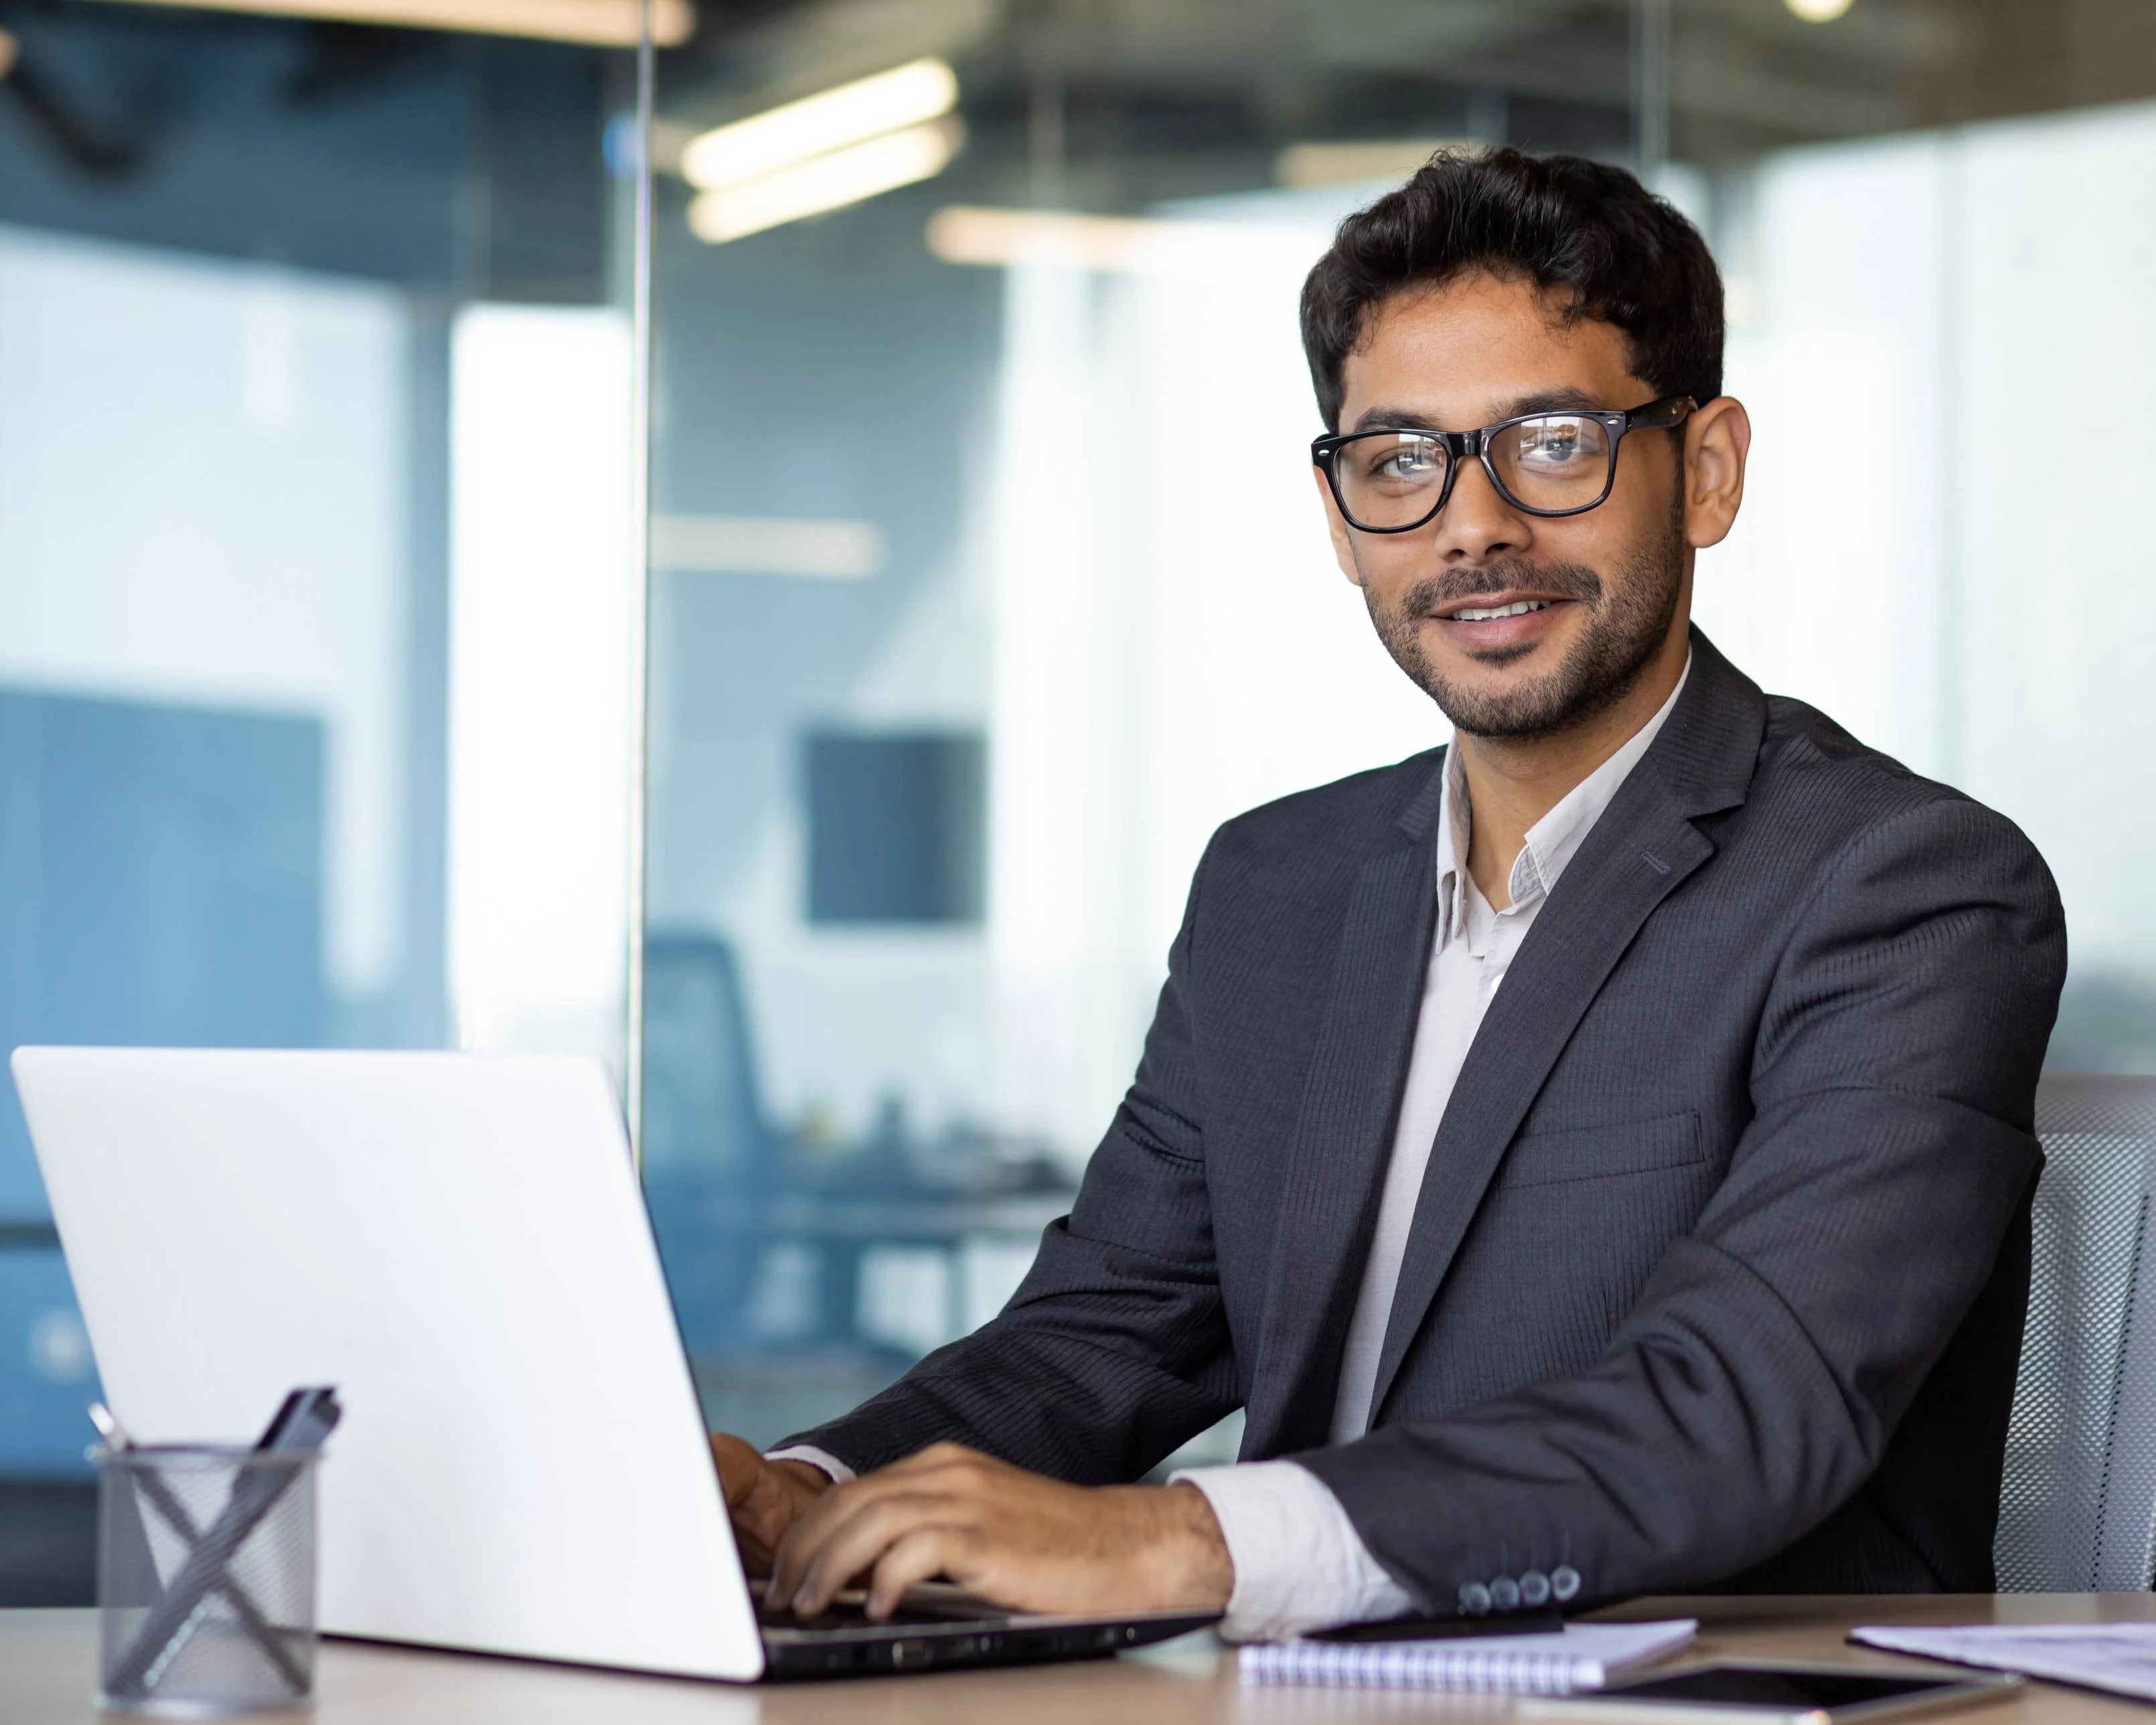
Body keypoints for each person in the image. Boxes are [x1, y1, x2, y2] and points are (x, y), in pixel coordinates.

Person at [711, 147, 2066, 1642]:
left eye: (1550, 442)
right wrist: (811, 1487)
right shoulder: (1272, 888)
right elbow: (1101, 1333)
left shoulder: (1902, 888)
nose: (1469, 525)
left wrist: (1185, 1541)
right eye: (1398, 460)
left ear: (1709, 468)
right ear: (1341, 510)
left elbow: (1741, 1403)